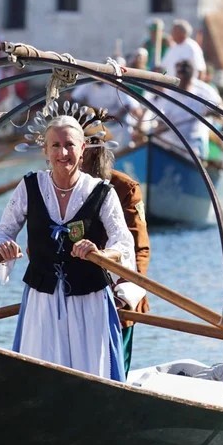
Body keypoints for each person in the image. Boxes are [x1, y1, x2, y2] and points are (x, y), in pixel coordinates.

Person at [0, 114, 135, 381]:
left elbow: (123, 243)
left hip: (89, 301)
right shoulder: (29, 186)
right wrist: (3, 247)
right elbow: (2, 231)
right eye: (55, 145)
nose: (63, 152)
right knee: (38, 375)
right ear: (45, 149)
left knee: (90, 375)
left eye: (70, 145)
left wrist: (101, 255)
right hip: (41, 300)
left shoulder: (102, 192)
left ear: (83, 150)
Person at [79, 111, 150, 373]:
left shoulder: (124, 187)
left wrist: (125, 295)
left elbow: (138, 247)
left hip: (118, 295)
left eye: (94, 151)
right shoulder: (55, 186)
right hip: (74, 294)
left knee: (114, 371)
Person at [150, 59, 223, 159]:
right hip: (170, 145)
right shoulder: (169, 93)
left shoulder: (204, 91)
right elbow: (159, 124)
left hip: (194, 146)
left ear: (190, 77)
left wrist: (213, 111)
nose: (181, 79)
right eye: (179, 75)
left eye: (184, 76)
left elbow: (222, 111)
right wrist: (156, 131)